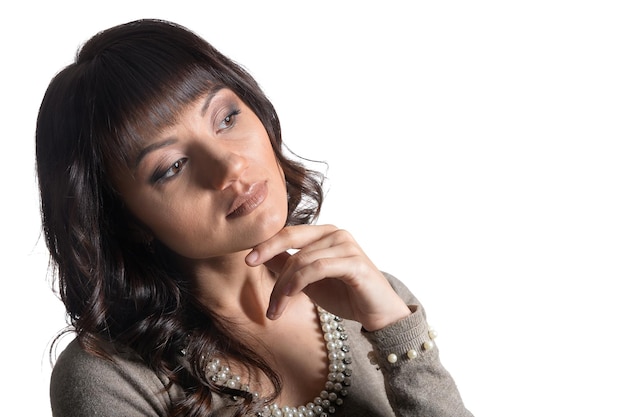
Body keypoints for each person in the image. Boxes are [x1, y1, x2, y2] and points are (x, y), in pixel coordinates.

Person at [36, 19, 473, 417]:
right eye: (172, 166)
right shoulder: (110, 379)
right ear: (124, 219)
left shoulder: (370, 298)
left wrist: (396, 331)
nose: (229, 168)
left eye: (226, 118)